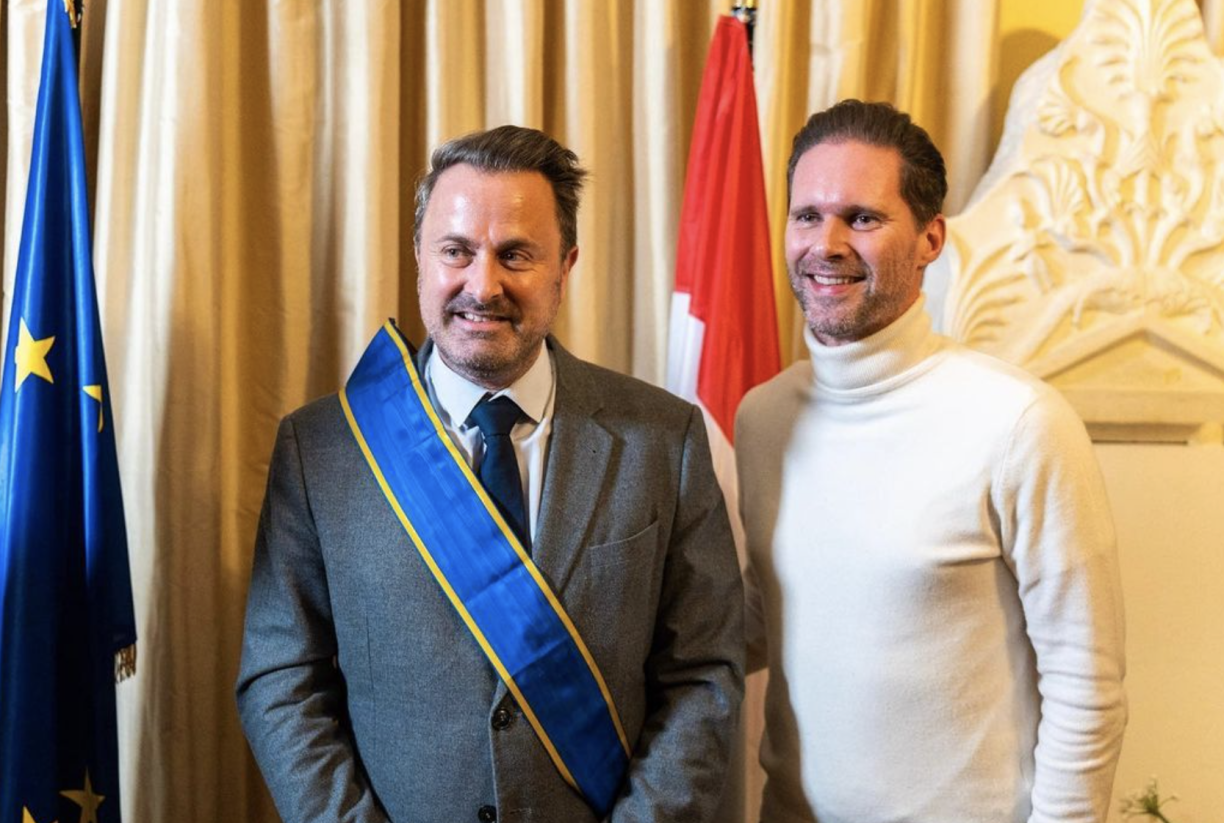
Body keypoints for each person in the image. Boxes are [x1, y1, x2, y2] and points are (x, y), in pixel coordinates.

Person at [237, 126, 744, 822]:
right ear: (419, 257)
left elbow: (704, 672)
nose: (484, 284)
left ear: (564, 266)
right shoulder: (320, 448)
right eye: (456, 251)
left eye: (516, 254)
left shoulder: (666, 439)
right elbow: (281, 678)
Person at [737, 100, 1127, 823]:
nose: (826, 242)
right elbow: (770, 610)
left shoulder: (1018, 423)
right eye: (806, 215)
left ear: (930, 239)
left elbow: (1086, 684)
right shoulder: (762, 418)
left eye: (862, 217)